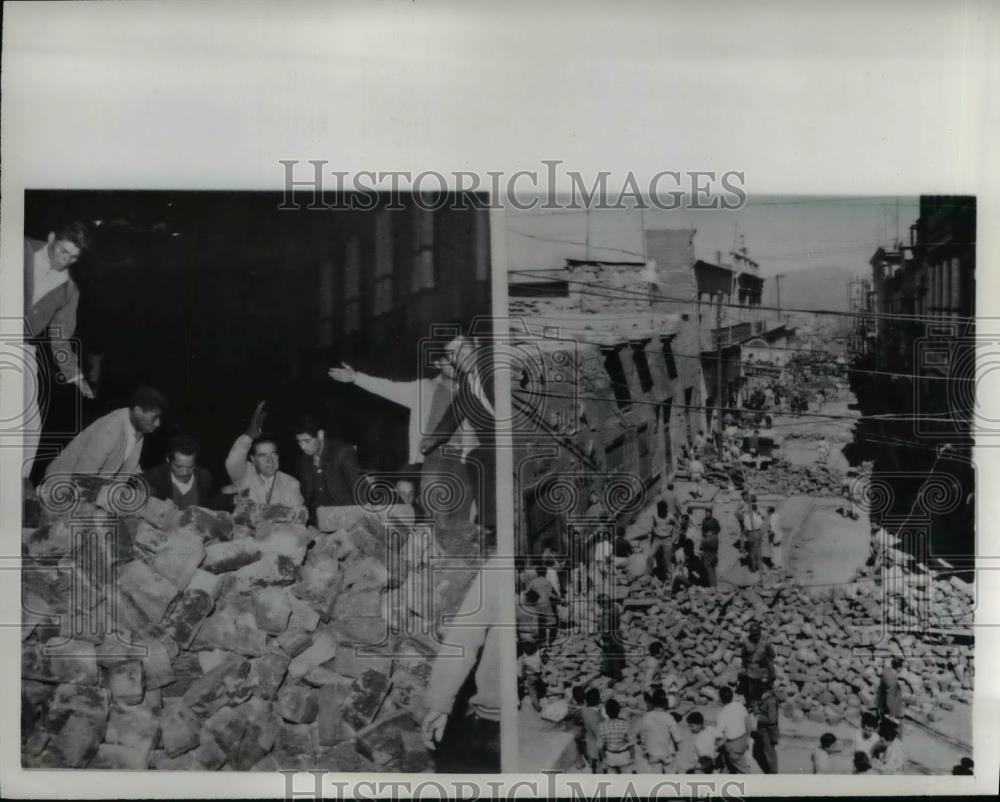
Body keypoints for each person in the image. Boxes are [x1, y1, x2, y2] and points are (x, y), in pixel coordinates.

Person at [329, 349, 477, 523]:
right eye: (447, 359)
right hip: (435, 458)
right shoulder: (424, 388)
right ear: (437, 363)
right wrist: (356, 378)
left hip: (466, 458)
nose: (453, 364)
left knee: (464, 519)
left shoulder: (473, 389)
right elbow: (388, 387)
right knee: (438, 514)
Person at [23, 222, 96, 481]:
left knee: (29, 423)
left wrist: (76, 376)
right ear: (51, 238)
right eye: (62, 251)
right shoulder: (20, 249)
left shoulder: (68, 290)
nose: (65, 260)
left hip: (21, 344)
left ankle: (17, 482)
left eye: (73, 257)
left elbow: (60, 339)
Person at [422, 554, 503, 773]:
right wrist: (440, 701)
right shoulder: (499, 566)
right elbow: (464, 637)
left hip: (494, 719)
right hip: (496, 719)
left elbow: (464, 637)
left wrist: (440, 701)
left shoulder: (499, 565)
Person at [420, 329, 496, 529]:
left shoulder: (493, 368)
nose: (460, 357)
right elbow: (454, 412)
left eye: (463, 349)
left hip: (515, 437)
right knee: (477, 458)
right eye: (453, 354)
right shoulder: (465, 381)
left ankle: (494, 525)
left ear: (476, 344)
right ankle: (491, 526)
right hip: (493, 445)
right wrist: (434, 438)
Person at [44, 386, 167, 482]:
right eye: (154, 417)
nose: (158, 424)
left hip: (85, 488)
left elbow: (126, 472)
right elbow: (83, 475)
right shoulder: (112, 428)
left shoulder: (138, 431)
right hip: (60, 485)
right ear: (138, 411)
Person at [224, 401, 303, 507]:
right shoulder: (244, 475)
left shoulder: (291, 483)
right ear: (253, 459)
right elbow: (232, 462)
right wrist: (248, 436)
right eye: (262, 455)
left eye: (273, 454)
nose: (270, 460)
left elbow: (297, 517)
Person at [293, 414, 365, 515]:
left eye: (307, 441)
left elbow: (358, 489)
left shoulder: (342, 452)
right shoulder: (303, 462)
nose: (302, 447)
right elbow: (306, 498)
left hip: (346, 517)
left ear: (320, 435)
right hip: (318, 522)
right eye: (299, 442)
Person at [141, 433, 214, 510]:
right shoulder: (154, 478)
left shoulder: (204, 477)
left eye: (190, 467)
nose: (185, 472)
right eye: (179, 467)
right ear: (168, 460)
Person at [635, 687, 682, 773]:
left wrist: (644, 747)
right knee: (671, 774)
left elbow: (642, 735)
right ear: (665, 704)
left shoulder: (646, 717)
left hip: (653, 753)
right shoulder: (669, 718)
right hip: (666, 753)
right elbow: (678, 738)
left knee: (656, 774)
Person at [716, 686, 751, 774]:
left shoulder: (722, 714)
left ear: (720, 699)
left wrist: (714, 747)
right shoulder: (739, 706)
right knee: (727, 764)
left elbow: (720, 736)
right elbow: (748, 723)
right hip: (743, 739)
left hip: (733, 746)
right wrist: (747, 738)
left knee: (743, 771)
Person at [741, 622, 776, 705]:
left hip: (763, 670)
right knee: (751, 692)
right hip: (751, 670)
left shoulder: (766, 642)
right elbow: (743, 655)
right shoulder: (746, 641)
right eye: (753, 635)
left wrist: (766, 661)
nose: (755, 637)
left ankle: (764, 706)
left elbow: (772, 655)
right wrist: (746, 665)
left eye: (757, 634)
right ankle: (752, 706)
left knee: (764, 692)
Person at [751, 676, 779, 774]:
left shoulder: (770, 700)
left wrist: (759, 717)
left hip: (768, 731)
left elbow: (772, 719)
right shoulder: (763, 696)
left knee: (769, 753)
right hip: (762, 729)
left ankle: (773, 774)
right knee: (763, 751)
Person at [596, 593, 625, 685]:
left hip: (610, 637)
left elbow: (606, 631)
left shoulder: (605, 616)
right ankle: (607, 668)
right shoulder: (615, 607)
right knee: (611, 653)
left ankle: (617, 676)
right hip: (617, 633)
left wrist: (600, 637)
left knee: (612, 655)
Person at [527, 565, 560, 647]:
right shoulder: (548, 582)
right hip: (547, 604)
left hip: (538, 605)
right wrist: (559, 599)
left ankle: (542, 642)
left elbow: (527, 592)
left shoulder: (533, 582)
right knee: (550, 624)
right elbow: (551, 595)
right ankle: (548, 643)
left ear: (537, 573)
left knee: (541, 623)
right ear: (545, 573)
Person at [597, 698, 632, 773]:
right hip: (624, 757)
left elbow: (600, 747)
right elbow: (631, 744)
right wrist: (632, 759)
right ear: (619, 710)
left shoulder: (602, 726)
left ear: (606, 712)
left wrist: (604, 759)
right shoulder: (626, 724)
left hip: (610, 758)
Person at [876, 656, 904, 729]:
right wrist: (892, 714)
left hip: (881, 701)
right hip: (888, 708)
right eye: (901, 666)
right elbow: (890, 699)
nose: (902, 668)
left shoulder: (886, 670)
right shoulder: (892, 682)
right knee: (892, 727)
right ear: (898, 668)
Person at [650, 501, 674, 584]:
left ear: (665, 510)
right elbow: (653, 527)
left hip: (667, 539)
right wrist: (652, 541)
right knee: (650, 556)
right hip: (657, 538)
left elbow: (677, 526)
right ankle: (648, 575)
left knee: (667, 559)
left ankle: (669, 578)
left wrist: (674, 538)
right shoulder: (655, 515)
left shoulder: (670, 517)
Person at [581, 687, 604, 773]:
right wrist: (603, 755)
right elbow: (599, 738)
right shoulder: (596, 717)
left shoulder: (585, 710)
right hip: (596, 749)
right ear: (598, 700)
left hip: (589, 742)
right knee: (599, 770)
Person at [517, 640, 543, 712]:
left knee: (532, 692)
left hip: (530, 676)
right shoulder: (537, 657)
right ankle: (539, 695)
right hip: (538, 675)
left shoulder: (525, 660)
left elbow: (522, 670)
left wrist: (522, 676)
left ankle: (537, 707)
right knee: (536, 687)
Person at [743, 503, 765, 574]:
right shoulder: (758, 516)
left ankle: (754, 567)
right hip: (758, 532)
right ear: (756, 509)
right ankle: (760, 567)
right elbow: (762, 522)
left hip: (751, 533)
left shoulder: (747, 516)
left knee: (752, 551)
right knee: (759, 550)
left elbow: (745, 526)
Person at [700, 511, 720, 587]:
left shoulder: (714, 521)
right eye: (706, 513)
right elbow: (703, 529)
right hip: (713, 544)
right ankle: (714, 583)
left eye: (708, 513)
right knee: (713, 566)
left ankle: (712, 585)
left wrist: (710, 533)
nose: (706, 514)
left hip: (708, 550)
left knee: (709, 568)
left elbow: (718, 529)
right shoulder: (704, 520)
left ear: (711, 514)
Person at [768, 506, 785, 572]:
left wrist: (769, 538)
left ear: (769, 512)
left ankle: (776, 565)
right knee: (779, 550)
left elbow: (772, 530)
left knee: (774, 551)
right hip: (780, 535)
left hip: (775, 536)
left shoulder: (772, 517)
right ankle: (780, 564)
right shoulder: (777, 515)